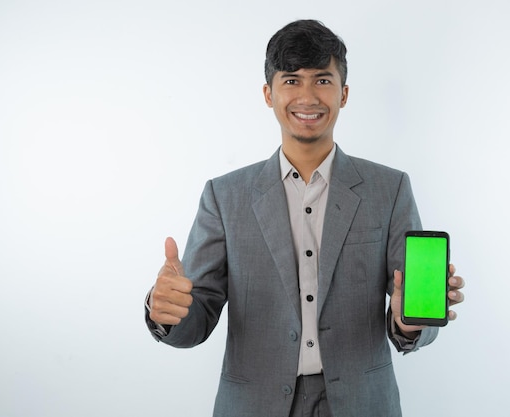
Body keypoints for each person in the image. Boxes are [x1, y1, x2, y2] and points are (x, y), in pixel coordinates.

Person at [145, 19, 465, 417]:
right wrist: (166, 312)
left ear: (344, 94)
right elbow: (197, 315)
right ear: (268, 93)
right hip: (253, 403)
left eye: (323, 80)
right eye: (292, 80)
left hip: (362, 403)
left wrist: (409, 322)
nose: (308, 97)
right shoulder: (224, 196)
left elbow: (414, 312)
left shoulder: (390, 188)